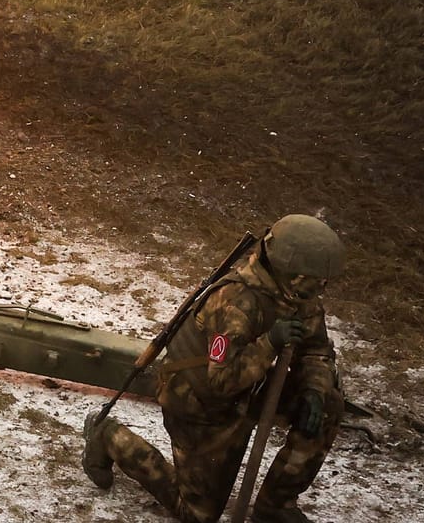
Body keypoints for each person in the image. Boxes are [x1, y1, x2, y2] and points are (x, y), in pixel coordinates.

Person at [82, 214, 346, 523]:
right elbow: (221, 382)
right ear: (293, 272)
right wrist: (270, 343)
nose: (321, 288)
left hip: (249, 387)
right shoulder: (236, 302)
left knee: (328, 404)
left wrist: (315, 388)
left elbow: (315, 349)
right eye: (316, 280)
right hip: (199, 402)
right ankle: (108, 436)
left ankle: (276, 505)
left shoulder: (298, 295)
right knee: (197, 515)